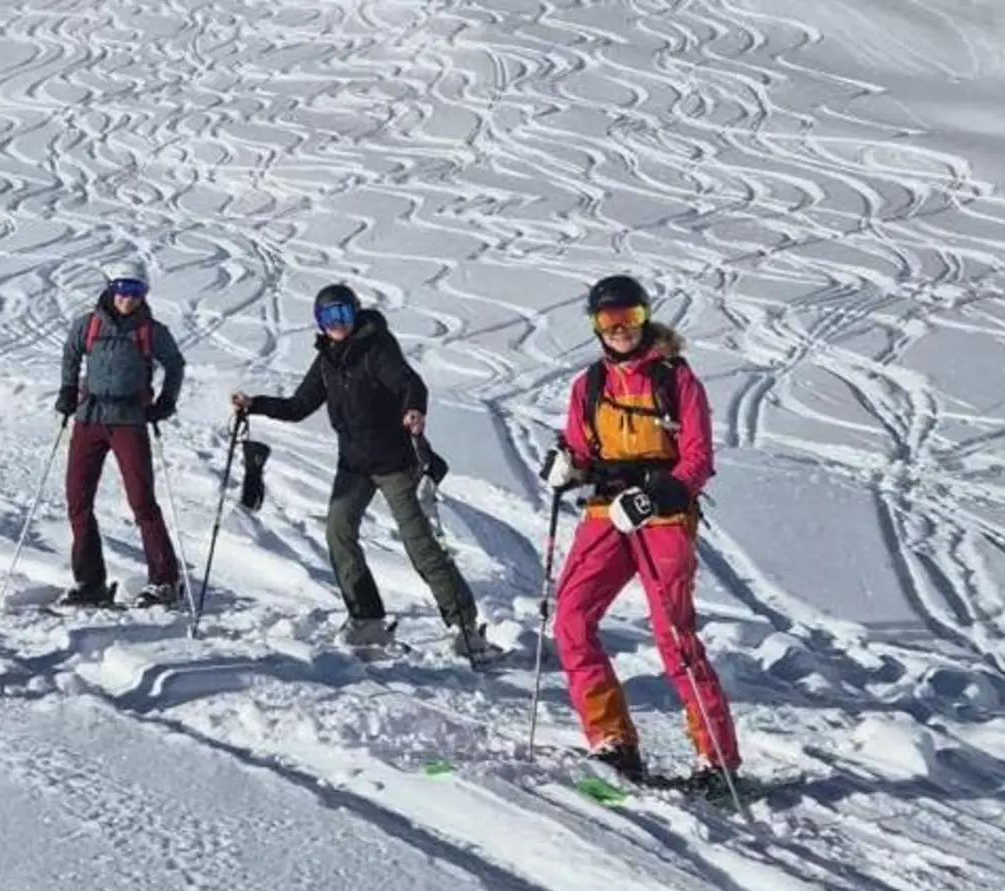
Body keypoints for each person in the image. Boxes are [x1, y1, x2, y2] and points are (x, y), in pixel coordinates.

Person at [539, 274, 740, 790]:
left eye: (629, 317)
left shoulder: (675, 380)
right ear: (595, 327)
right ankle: (613, 742)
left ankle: (715, 758)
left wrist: (658, 495)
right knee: (571, 618)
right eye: (609, 321)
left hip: (662, 515)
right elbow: (583, 450)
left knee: (673, 633)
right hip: (608, 511)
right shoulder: (590, 386)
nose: (621, 329)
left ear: (645, 317)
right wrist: (567, 466)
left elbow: (698, 459)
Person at [231, 284, 497, 663]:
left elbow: (410, 383)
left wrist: (414, 409)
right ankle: (366, 617)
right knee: (338, 533)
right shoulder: (327, 360)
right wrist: (254, 405)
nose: (337, 325)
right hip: (353, 466)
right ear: (319, 324)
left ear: (355, 314)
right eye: (328, 319)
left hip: (395, 464)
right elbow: (298, 405)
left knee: (420, 545)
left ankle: (464, 626)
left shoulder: (376, 348)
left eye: (342, 315)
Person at [54, 260, 187, 608]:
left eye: (136, 291)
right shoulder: (89, 324)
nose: (128, 298)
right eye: (122, 289)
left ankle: (165, 580)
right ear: (111, 287)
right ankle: (90, 582)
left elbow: (175, 364)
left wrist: (166, 401)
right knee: (77, 501)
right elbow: (71, 352)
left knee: (142, 501)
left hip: (129, 419)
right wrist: (68, 390)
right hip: (89, 417)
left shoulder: (151, 330)